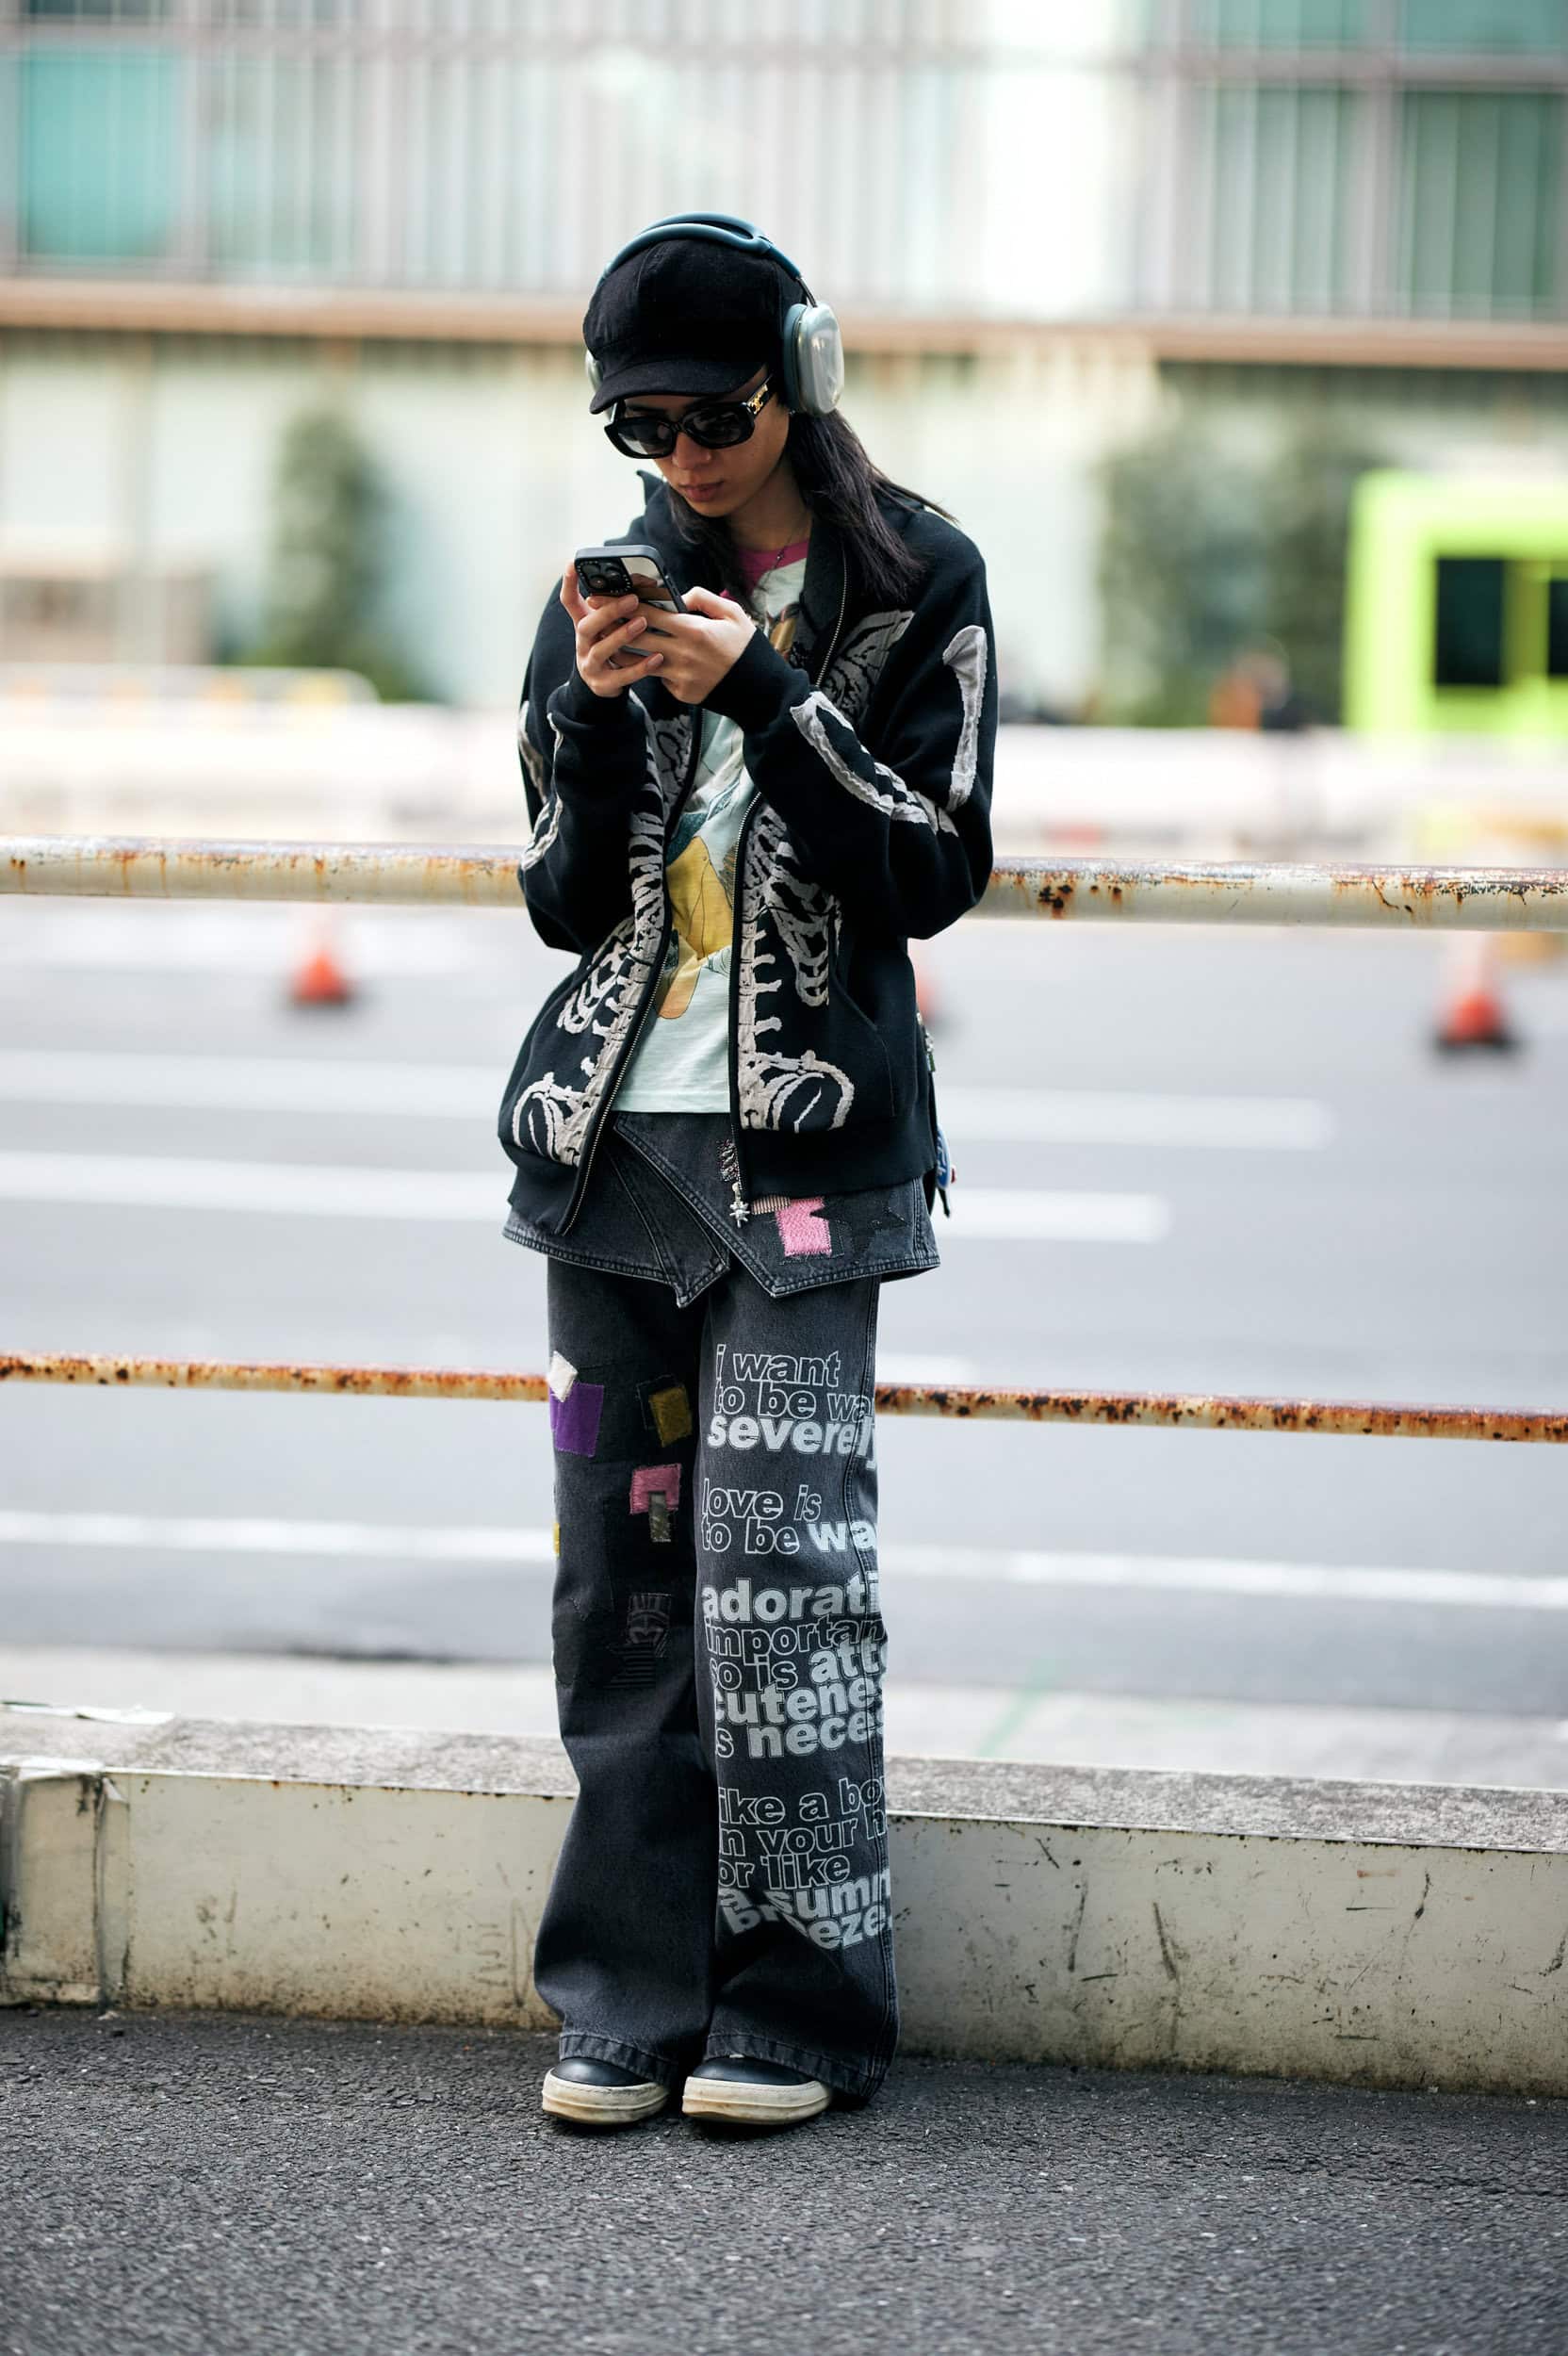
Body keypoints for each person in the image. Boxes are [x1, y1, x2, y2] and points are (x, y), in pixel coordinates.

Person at [497, 214, 997, 2133]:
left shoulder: (917, 579)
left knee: (785, 1585)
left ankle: (801, 2005)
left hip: (810, 1154)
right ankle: (626, 1996)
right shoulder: (606, 587)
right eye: (642, 426)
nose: (684, 458)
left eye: (714, 416)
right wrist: (594, 708)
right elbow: (563, 904)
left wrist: (767, 699)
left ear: (800, 377)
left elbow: (935, 864)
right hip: (612, 1149)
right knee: (616, 1593)